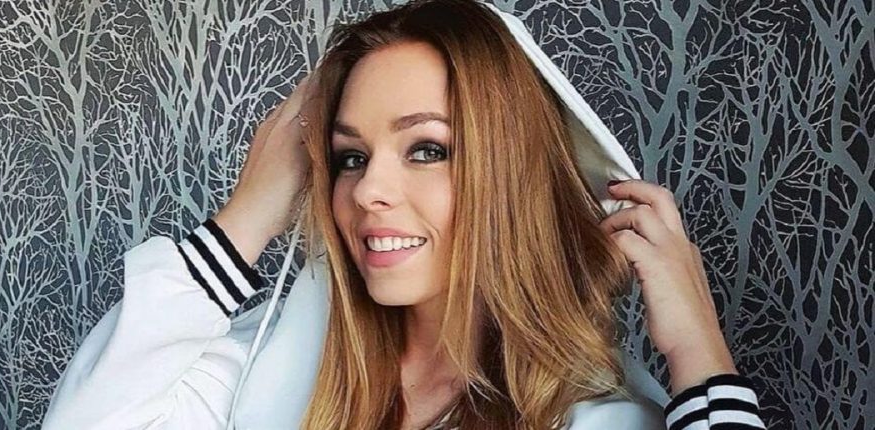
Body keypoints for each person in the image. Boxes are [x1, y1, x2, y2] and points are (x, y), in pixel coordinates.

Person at [41, 0, 766, 428]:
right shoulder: (264, 376)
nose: (366, 192)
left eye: (427, 149)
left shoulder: (595, 419)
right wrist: (245, 221)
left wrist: (700, 354)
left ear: (512, 174)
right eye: (350, 157)